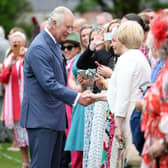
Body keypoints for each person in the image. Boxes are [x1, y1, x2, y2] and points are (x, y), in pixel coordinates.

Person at [20, 6, 92, 168]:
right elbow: (49, 83)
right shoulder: (40, 47)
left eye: (71, 27)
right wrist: (77, 97)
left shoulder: (52, 44)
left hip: (53, 119)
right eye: (67, 27)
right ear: (53, 23)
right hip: (42, 120)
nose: (70, 31)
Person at [1, 31, 29, 168]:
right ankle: (25, 161)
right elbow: (3, 78)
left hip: (28, 99)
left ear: (24, 44)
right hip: (14, 102)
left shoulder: (28, 57)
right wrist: (10, 65)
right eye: (14, 42)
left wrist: (23, 58)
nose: (16, 44)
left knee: (30, 133)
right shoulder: (8, 59)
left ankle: (34, 159)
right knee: (20, 134)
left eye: (19, 42)